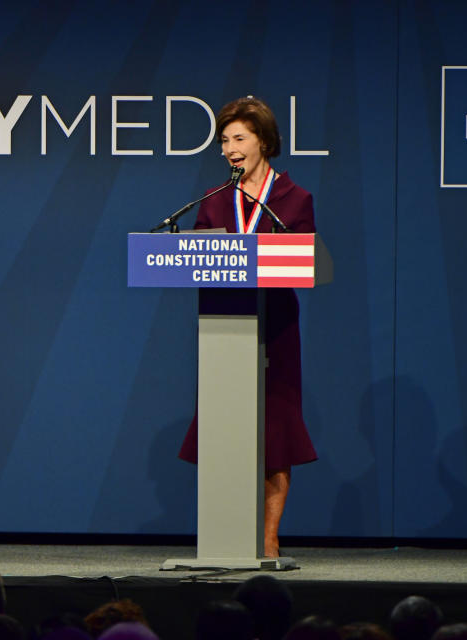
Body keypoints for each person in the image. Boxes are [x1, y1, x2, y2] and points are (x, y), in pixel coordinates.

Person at [179, 96, 318, 558]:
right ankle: (224, 530)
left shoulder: (294, 199)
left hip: (276, 326)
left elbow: (303, 259)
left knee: (275, 428)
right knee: (223, 425)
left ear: (264, 141)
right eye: (224, 141)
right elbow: (196, 257)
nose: (229, 149)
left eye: (239, 138)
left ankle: (268, 536)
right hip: (225, 327)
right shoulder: (217, 202)